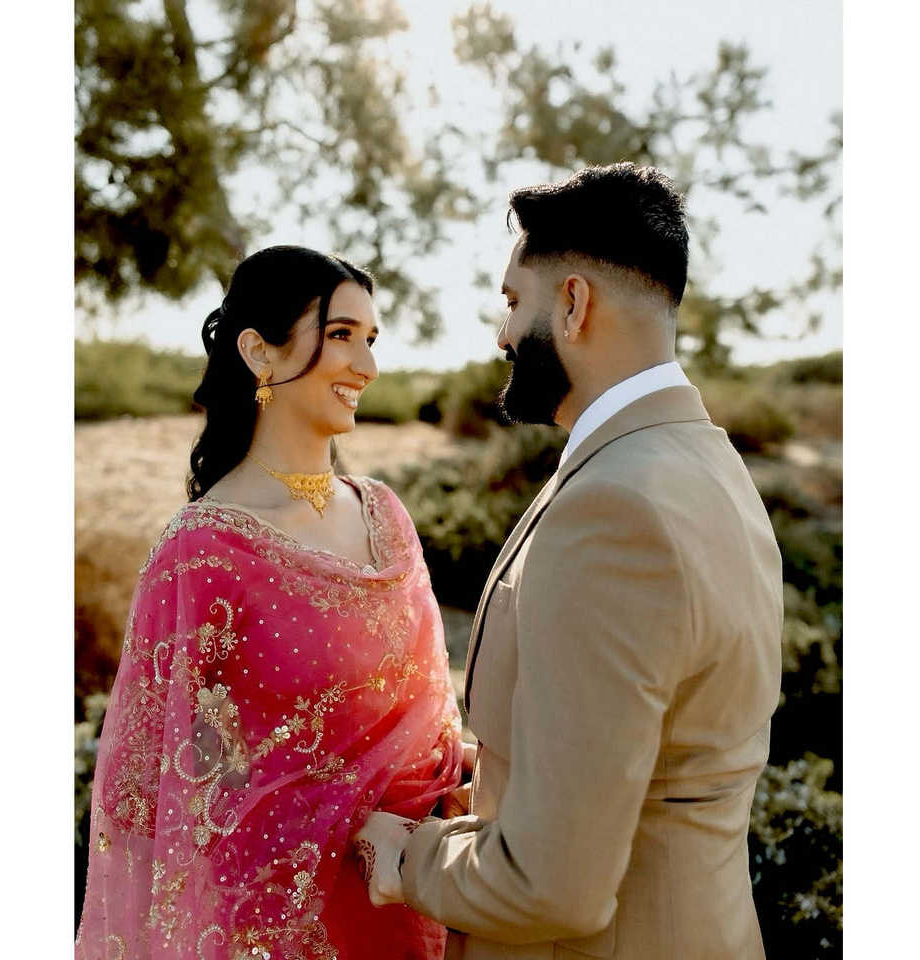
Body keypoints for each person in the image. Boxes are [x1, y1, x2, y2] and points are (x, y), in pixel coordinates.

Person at [355, 164, 784, 959]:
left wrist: (407, 858)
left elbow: (552, 884)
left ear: (575, 305)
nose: (502, 334)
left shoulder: (613, 510)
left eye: (514, 301)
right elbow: (659, 743)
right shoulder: (705, 464)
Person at [75, 246, 463, 960]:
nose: (367, 367)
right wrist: (353, 826)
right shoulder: (202, 552)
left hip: (418, 899)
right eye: (341, 335)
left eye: (371, 340)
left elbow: (430, 715)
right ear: (258, 351)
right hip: (276, 926)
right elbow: (147, 786)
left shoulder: (385, 516)